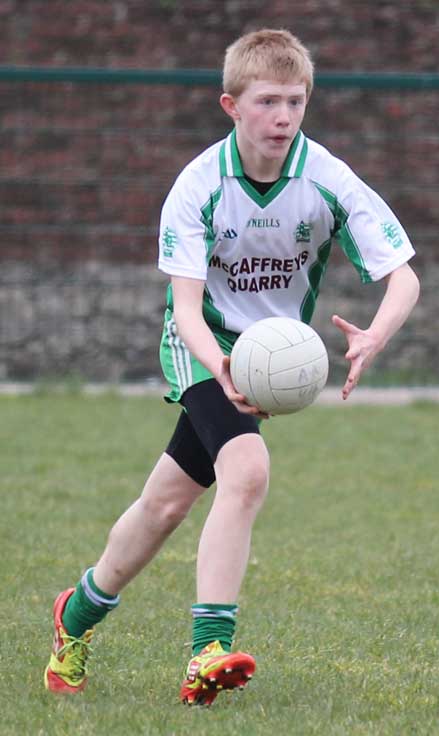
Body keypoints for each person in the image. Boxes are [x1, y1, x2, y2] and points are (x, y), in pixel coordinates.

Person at [44, 28, 420, 706]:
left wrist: (375, 336)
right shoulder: (198, 186)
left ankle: (75, 615)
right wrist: (221, 364)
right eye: (268, 101)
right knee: (246, 471)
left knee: (164, 504)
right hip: (202, 346)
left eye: (296, 102)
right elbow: (184, 306)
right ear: (231, 106)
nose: (283, 117)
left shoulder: (326, 178)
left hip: (264, 360)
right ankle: (207, 652)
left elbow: (404, 278)